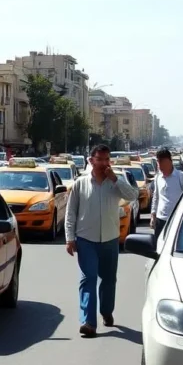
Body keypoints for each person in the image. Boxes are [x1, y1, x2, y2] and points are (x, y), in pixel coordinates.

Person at [64, 144, 139, 338]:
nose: (104, 164)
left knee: (108, 279)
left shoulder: (115, 182)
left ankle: (106, 311)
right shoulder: (81, 184)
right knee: (88, 279)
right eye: (100, 160)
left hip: (110, 239)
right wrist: (70, 238)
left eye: (107, 160)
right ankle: (88, 322)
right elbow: (71, 212)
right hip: (86, 239)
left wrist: (116, 179)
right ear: (91, 161)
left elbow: (132, 196)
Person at [150, 147, 183, 242]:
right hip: (160, 220)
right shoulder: (158, 177)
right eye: (158, 162)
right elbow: (156, 197)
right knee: (158, 247)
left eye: (161, 162)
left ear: (169, 161)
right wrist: (153, 216)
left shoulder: (181, 177)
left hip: (176, 220)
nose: (159, 165)